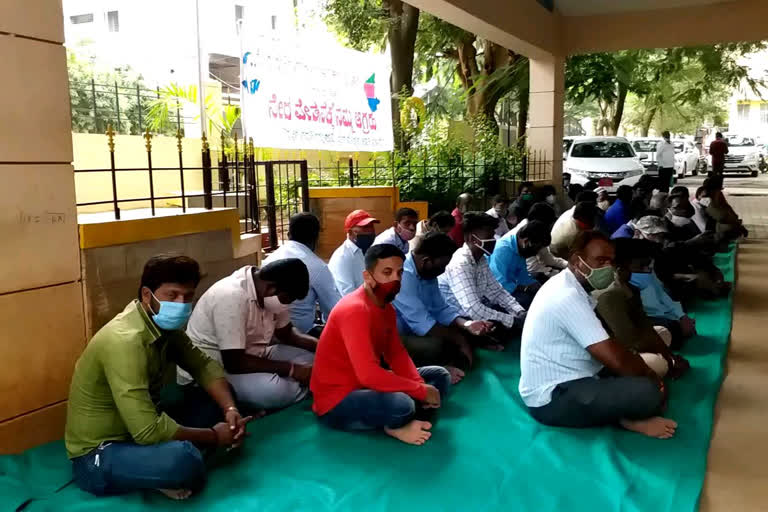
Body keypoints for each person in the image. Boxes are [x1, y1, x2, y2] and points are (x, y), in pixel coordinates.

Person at [66, 255, 254, 499]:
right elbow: (147, 431)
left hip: (143, 430)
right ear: (147, 295)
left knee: (218, 398)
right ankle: (163, 467)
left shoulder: (165, 329)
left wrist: (230, 410)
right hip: (99, 453)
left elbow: (203, 366)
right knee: (184, 460)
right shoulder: (125, 341)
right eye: (172, 295)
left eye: (188, 296)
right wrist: (215, 436)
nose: (181, 303)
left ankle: (155, 466)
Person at [519, 231, 678, 439]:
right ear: (577, 261)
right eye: (600, 260)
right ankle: (625, 418)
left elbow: (612, 346)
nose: (607, 268)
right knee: (648, 393)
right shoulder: (566, 296)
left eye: (610, 262)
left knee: (649, 369)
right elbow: (615, 358)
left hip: (580, 372)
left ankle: (619, 411)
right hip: (552, 397)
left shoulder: (572, 287)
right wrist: (652, 379)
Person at [310, 244, 451, 446]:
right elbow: (367, 374)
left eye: (400, 273)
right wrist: (419, 391)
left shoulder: (386, 308)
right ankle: (395, 425)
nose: (395, 279)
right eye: (387, 272)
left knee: (439, 376)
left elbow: (396, 354)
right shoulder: (355, 310)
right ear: (368, 276)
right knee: (402, 403)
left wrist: (418, 383)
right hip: (337, 399)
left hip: (367, 385)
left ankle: (409, 410)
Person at [184, 259, 319, 411]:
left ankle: (301, 384)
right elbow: (234, 363)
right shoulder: (231, 296)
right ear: (271, 288)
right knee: (274, 391)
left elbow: (287, 334)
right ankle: (305, 387)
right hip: (217, 367)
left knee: (313, 359)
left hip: (254, 355)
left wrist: (320, 346)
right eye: (287, 300)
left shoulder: (272, 292)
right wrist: (292, 370)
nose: (287, 305)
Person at [394, 233, 495, 383]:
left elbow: (440, 309)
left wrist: (467, 325)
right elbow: (423, 324)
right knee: (438, 346)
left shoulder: (427, 272)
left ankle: (452, 361)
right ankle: (437, 369)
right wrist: (459, 339)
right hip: (395, 337)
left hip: (418, 328)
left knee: (465, 330)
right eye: (442, 266)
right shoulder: (403, 275)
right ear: (426, 261)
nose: (443, 271)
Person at [595, 239, 690, 378]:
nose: (647, 271)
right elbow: (629, 341)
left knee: (663, 334)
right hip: (612, 353)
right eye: (641, 266)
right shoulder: (609, 295)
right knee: (659, 365)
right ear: (622, 268)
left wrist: (670, 356)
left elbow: (644, 325)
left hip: (630, 341)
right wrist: (669, 362)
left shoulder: (628, 287)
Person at [439, 212, 527, 338]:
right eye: (489, 235)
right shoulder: (460, 264)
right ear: (471, 238)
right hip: (459, 319)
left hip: (476, 311)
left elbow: (497, 291)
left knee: (513, 314)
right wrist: (513, 321)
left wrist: (519, 311)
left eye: (493, 235)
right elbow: (474, 309)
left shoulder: (481, 259)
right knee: (505, 327)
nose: (493, 240)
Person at [264, 212, 340, 336]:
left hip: (268, 331)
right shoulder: (316, 266)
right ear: (316, 237)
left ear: (289, 234)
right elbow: (334, 310)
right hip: (301, 333)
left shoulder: (270, 259)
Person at [627, 243, 696, 350]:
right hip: (650, 318)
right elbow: (649, 310)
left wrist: (682, 316)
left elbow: (663, 295)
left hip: (663, 313)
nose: (649, 263)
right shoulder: (629, 281)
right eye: (643, 260)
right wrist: (676, 320)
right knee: (671, 329)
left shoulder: (649, 271)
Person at [489, 220, 552, 309]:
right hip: (495, 293)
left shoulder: (520, 249)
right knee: (527, 301)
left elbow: (522, 275)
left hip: (510, 287)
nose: (536, 253)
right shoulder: (503, 250)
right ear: (526, 242)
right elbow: (500, 284)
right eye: (536, 248)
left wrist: (534, 285)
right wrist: (525, 288)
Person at [328, 210, 380, 297]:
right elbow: (348, 294)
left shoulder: (370, 251)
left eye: (371, 226)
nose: (370, 231)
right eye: (365, 227)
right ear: (350, 232)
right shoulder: (342, 257)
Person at [510, 202, 566, 280]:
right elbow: (532, 268)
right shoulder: (526, 236)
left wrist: (566, 265)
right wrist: (553, 272)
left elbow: (546, 257)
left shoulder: (536, 231)